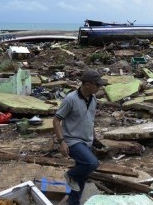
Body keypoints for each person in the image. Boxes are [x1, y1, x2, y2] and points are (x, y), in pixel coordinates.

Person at [52, 69, 107, 205]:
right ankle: (70, 175)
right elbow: (56, 120)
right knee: (92, 163)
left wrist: (94, 137)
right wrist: (62, 142)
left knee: (80, 179)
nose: (99, 87)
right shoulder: (70, 99)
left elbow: (90, 119)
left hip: (87, 140)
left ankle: (73, 202)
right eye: (97, 84)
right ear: (87, 84)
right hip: (73, 140)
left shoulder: (93, 98)